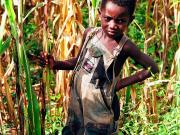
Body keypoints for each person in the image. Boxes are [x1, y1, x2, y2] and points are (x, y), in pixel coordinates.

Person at [40, 0, 159, 134]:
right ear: (99, 14)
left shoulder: (125, 46)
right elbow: (78, 62)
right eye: (108, 19)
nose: (113, 25)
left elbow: (152, 68)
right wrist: (56, 64)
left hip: (101, 114)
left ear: (130, 20)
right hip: (78, 107)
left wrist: (118, 84)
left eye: (120, 21)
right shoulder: (90, 34)